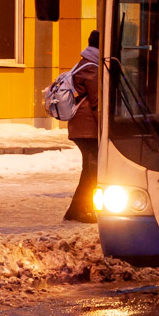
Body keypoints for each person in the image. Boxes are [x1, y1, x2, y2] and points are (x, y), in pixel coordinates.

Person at [64, 31, 101, 223]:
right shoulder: (92, 68)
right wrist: (106, 126)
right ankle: (83, 210)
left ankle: (75, 211)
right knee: (92, 171)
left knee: (88, 170)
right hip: (87, 127)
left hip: (81, 126)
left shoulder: (84, 63)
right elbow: (97, 102)